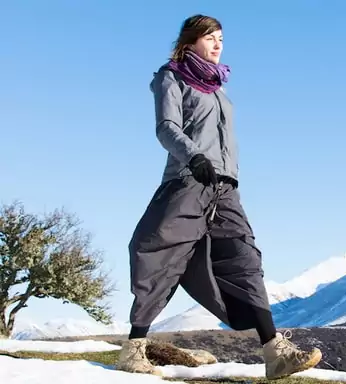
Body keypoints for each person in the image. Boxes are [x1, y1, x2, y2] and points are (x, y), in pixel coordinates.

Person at [115, 14, 322, 380]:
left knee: (244, 258)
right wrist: (194, 156)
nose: (217, 45)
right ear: (191, 40)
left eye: (221, 39)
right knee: (162, 255)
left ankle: (275, 353)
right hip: (188, 180)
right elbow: (167, 128)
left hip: (226, 187)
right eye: (211, 38)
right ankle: (133, 349)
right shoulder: (171, 77)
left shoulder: (219, 88)